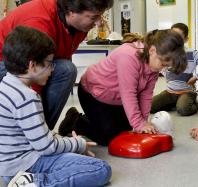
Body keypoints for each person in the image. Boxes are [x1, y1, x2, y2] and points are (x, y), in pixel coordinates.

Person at [0, 26, 111, 187]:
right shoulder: (26, 97)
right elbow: (47, 147)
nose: (52, 70)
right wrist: (77, 144)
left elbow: (38, 137)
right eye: (49, 63)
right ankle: (35, 183)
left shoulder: (6, 85)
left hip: (10, 167)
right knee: (101, 168)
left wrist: (65, 143)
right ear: (32, 65)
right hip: (26, 165)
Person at [58, 29, 187, 146]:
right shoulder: (129, 56)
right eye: (163, 63)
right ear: (152, 50)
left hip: (115, 99)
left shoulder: (153, 65)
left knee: (126, 129)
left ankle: (96, 121)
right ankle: (75, 120)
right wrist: (139, 124)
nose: (163, 68)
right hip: (93, 94)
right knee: (108, 137)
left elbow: (146, 95)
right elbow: (128, 94)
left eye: (167, 66)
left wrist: (143, 123)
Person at [0, 0, 114, 130]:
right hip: (6, 60)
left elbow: (62, 57)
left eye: (101, 16)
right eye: (94, 17)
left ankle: (43, 135)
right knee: (56, 76)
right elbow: (32, 76)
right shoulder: (40, 21)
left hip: (31, 63)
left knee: (66, 70)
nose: (99, 23)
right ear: (72, 11)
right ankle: (29, 135)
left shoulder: (80, 27)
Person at [151, 23, 198, 116]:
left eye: (179, 37)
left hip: (186, 92)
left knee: (183, 110)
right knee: (150, 107)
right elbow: (158, 66)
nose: (175, 40)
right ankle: (175, 103)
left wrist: (196, 77)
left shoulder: (192, 53)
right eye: (172, 36)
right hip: (170, 92)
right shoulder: (166, 52)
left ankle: (194, 101)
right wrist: (165, 73)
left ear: (186, 39)